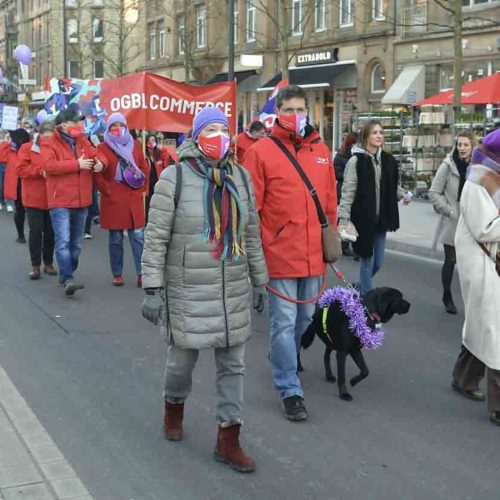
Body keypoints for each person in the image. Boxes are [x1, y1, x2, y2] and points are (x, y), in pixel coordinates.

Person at [141, 107, 268, 473]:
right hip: (188, 290)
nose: (219, 137)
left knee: (233, 367)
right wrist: (152, 288)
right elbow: (155, 238)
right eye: (210, 129)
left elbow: (251, 234)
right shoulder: (174, 178)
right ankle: (173, 407)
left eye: (223, 130)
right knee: (181, 363)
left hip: (232, 290)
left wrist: (260, 279)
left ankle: (229, 439)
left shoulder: (240, 177)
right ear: (196, 137)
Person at [244, 85, 337, 422]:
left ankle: (284, 356)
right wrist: (257, 249)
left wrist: (331, 236)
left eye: (300, 110)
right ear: (277, 113)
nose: (295, 116)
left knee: (306, 319)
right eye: (289, 110)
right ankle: (289, 388)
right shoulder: (260, 152)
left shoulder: (321, 150)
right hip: (279, 253)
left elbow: (329, 201)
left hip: (313, 254)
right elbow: (251, 207)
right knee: (283, 322)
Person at [451, 128, 500, 426]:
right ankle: (498, 405)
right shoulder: (477, 182)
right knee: (493, 330)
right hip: (482, 263)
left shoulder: (493, 176)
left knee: (484, 325)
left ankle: (463, 378)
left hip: (490, 262)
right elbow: (486, 228)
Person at [338, 120, 410, 296]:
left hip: (381, 219)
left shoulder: (388, 160)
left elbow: (392, 186)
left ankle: (359, 286)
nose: (379, 136)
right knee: (367, 261)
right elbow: (347, 192)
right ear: (366, 137)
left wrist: (402, 194)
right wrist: (343, 219)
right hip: (363, 220)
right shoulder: (356, 161)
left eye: (381, 132)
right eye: (374, 133)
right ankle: (366, 301)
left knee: (378, 262)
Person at [41, 109, 107, 296]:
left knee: (76, 245)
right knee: (63, 241)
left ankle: (66, 272)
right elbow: (49, 166)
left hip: (81, 201)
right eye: (75, 121)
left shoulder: (83, 141)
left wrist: (101, 163)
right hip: (60, 201)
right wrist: (77, 164)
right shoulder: (49, 143)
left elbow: (98, 154)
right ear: (63, 125)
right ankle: (69, 278)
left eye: (80, 121)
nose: (79, 125)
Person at [95, 113, 148, 287]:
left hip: (133, 197)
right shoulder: (102, 147)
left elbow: (143, 168)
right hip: (114, 199)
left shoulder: (136, 145)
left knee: (138, 237)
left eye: (121, 125)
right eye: (113, 126)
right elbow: (97, 173)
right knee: (116, 238)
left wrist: (143, 188)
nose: (117, 129)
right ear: (108, 129)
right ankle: (117, 273)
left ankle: (142, 273)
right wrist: (107, 189)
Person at [429, 131, 477, 315]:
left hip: (473, 221)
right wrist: (449, 210)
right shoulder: (448, 165)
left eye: (466, 145)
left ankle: (471, 300)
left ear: (472, 146)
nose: (462, 148)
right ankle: (447, 296)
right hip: (453, 221)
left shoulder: (478, 166)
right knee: (451, 260)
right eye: (459, 144)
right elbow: (434, 192)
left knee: (471, 265)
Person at [16, 121, 57, 279]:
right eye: (45, 137)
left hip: (53, 197)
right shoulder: (27, 148)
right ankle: (35, 265)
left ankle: (48, 263)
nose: (48, 140)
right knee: (36, 231)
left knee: (50, 233)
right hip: (33, 198)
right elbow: (20, 169)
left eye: (51, 137)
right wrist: (40, 171)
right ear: (39, 135)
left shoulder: (56, 148)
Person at [334, 132, 359, 257]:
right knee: (345, 217)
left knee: (356, 218)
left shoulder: (359, 155)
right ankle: (344, 244)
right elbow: (336, 173)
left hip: (356, 191)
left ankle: (354, 245)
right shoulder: (341, 156)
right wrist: (349, 176)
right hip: (343, 190)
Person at [4, 129, 31, 243]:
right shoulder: (11, 150)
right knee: (20, 210)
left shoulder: (29, 150)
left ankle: (25, 235)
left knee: (26, 210)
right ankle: (21, 235)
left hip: (27, 183)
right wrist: (6, 142)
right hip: (18, 184)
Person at [145, 133, 167, 221]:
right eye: (149, 140)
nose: (151, 142)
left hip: (157, 183)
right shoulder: (144, 154)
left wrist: (163, 149)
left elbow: (166, 161)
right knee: (148, 204)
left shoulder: (159, 154)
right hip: (147, 184)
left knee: (158, 204)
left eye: (153, 140)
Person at [0, 131, 12, 212]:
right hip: (1, 164)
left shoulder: (11, 143)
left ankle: (9, 202)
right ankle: (1, 201)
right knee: (1, 184)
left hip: (9, 165)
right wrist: (6, 141)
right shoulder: (3, 143)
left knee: (9, 184)